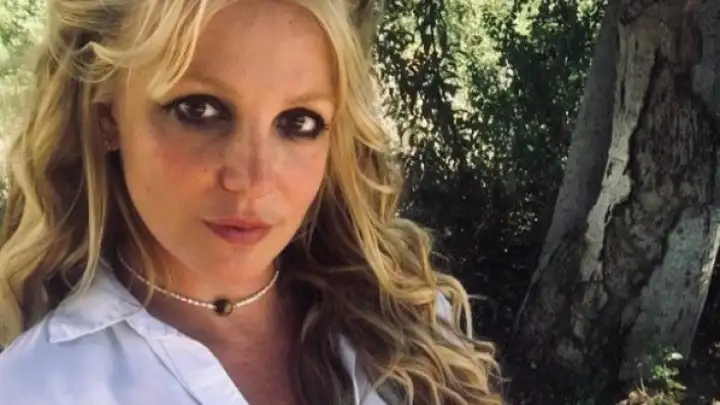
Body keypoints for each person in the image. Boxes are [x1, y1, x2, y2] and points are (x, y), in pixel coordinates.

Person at [0, 0, 502, 404]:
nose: (254, 181)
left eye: (299, 122)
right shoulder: (35, 387)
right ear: (107, 116)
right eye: (199, 110)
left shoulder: (409, 324)